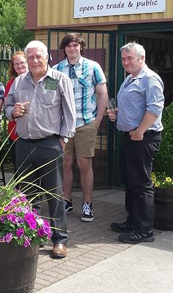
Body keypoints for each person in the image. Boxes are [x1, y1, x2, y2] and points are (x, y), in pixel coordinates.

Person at [5, 40, 75, 259]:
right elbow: (7, 106)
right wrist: (13, 112)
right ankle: (32, 235)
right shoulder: (18, 82)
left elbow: (70, 115)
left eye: (38, 56)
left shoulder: (60, 80)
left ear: (47, 58)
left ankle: (60, 240)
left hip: (50, 143)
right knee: (27, 194)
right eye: (31, 57)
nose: (34, 60)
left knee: (54, 194)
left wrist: (62, 140)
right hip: (24, 143)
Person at [107, 42, 164, 244]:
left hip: (143, 137)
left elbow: (155, 108)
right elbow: (135, 107)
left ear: (142, 58)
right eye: (123, 59)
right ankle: (133, 221)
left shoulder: (150, 79)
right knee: (130, 182)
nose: (126, 62)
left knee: (141, 185)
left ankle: (144, 230)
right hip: (130, 136)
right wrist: (118, 114)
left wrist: (140, 131)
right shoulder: (130, 79)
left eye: (130, 58)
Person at [53, 33, 107, 222]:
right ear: (64, 49)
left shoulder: (93, 67)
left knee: (85, 164)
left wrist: (98, 120)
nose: (72, 49)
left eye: (75, 45)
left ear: (81, 47)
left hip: (86, 123)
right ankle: (66, 201)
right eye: (68, 46)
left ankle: (87, 204)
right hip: (63, 126)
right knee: (65, 163)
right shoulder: (56, 69)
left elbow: (102, 94)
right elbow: (48, 96)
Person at [4, 51, 27, 169]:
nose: (19, 66)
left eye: (22, 63)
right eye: (16, 64)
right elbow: (7, 105)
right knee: (18, 166)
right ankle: (18, 188)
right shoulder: (11, 83)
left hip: (34, 131)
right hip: (15, 131)